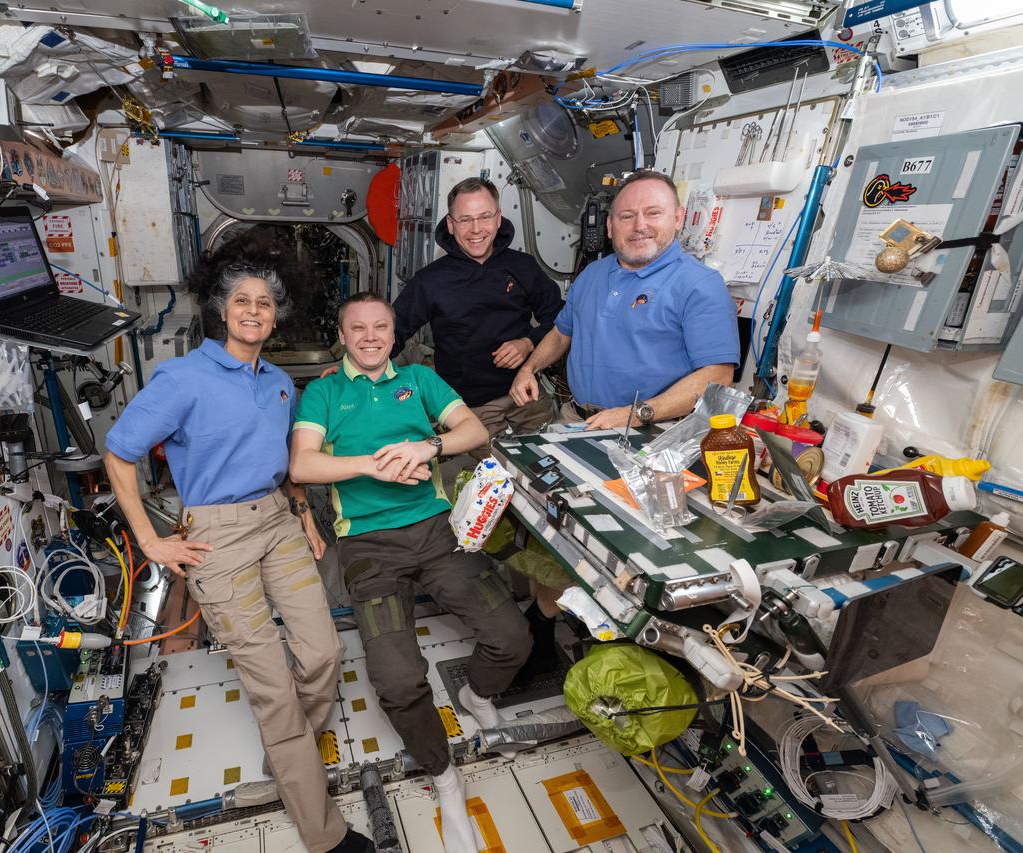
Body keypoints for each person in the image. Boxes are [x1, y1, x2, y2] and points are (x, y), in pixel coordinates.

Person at [103, 239, 373, 853]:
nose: (254, 311)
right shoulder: (182, 378)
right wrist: (151, 542)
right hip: (216, 538)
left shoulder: (279, 382)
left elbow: (287, 462)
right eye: (241, 301)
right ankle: (323, 831)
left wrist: (302, 515)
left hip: (277, 520)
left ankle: (289, 749)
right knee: (273, 685)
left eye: (265, 303)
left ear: (277, 315)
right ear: (221, 309)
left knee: (324, 651)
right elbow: (119, 454)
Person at [290, 292, 531, 853]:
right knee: (398, 681)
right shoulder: (324, 391)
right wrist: (377, 463)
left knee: (511, 637)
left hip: (437, 531)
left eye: (381, 327)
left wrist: (424, 448)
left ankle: (476, 693)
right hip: (368, 547)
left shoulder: (420, 379)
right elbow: (302, 463)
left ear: (394, 333)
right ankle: (444, 773)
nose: (370, 337)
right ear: (342, 335)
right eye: (358, 328)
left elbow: (473, 430)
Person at [510, 169, 739, 429]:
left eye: (653, 213)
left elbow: (718, 375)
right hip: (577, 418)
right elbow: (562, 333)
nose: (639, 226)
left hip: (652, 429)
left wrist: (636, 414)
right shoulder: (592, 274)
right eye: (626, 216)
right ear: (609, 226)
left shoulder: (700, 284)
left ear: (678, 218)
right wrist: (529, 368)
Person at [392, 177, 562, 453]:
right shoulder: (431, 280)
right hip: (471, 408)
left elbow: (560, 317)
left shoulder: (523, 267)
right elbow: (394, 331)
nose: (476, 229)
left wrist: (528, 343)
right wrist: (353, 371)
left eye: (484, 217)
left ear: (498, 218)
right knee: (492, 484)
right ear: (450, 224)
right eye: (465, 219)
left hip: (527, 394)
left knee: (546, 468)